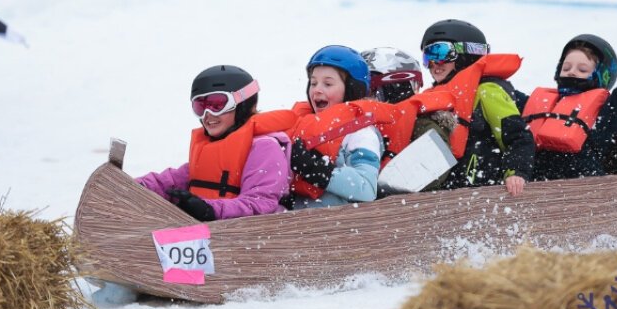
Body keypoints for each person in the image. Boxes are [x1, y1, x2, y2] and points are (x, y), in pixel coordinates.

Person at [135, 65, 294, 220]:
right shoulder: (210, 150)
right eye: (200, 106)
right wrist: (132, 187)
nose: (207, 115)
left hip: (250, 238)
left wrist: (209, 209)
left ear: (241, 104)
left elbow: (260, 204)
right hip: (211, 237)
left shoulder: (265, 148)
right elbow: (168, 182)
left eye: (217, 105)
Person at [518, 12, 617, 180]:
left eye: (582, 70)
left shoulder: (603, 115)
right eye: (566, 67)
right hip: (532, 192)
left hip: (583, 195)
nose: (572, 72)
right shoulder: (537, 103)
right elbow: (504, 97)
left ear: (601, 76)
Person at [420, 19, 534, 196]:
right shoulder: (433, 97)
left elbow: (518, 136)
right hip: (449, 193)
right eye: (428, 56)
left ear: (467, 53)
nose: (435, 63)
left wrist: (516, 172)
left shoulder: (487, 91)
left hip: (485, 190)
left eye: (441, 52)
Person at [288, 45, 386, 208]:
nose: (317, 90)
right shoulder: (302, 127)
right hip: (296, 223)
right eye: (313, 83)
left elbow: (367, 188)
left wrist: (317, 169)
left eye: (328, 84)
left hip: (338, 227)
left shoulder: (360, 133)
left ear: (351, 90)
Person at [360, 47, 456, 191]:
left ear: (395, 88)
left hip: (410, 210)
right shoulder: (364, 129)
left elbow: (420, 175)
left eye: (370, 91)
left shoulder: (422, 126)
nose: (363, 99)